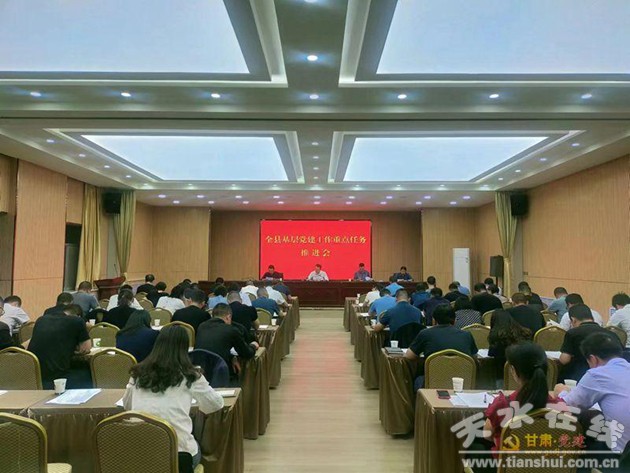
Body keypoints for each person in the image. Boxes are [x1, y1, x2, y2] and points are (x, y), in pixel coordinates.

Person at [123, 324, 224, 470]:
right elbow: (215, 404)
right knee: (195, 444)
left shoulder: (138, 373)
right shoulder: (191, 375)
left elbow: (127, 406)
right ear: (185, 349)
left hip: (141, 455)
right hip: (178, 457)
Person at [554, 332, 630, 454]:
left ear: (593, 359)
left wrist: (561, 392)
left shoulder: (598, 374)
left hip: (623, 456)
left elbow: (569, 405)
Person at [482, 343, 564, 452]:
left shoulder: (503, 404)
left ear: (513, 371)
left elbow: (487, 434)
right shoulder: (560, 407)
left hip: (510, 462)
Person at [405, 305, 478, 389]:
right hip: (462, 384)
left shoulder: (425, 334)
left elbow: (409, 356)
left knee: (416, 380)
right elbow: (474, 358)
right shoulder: (467, 335)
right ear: (454, 320)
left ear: (434, 320)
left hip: (432, 383)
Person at [28, 303, 92, 389]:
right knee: (87, 371)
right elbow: (85, 349)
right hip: (59, 375)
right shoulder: (77, 321)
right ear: (78, 316)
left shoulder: (41, 319)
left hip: (35, 373)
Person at [195, 304, 259, 379]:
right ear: (228, 317)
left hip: (200, 370)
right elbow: (246, 354)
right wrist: (253, 345)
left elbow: (212, 348)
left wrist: (232, 357)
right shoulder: (231, 330)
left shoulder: (201, 326)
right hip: (220, 371)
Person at [559, 303, 611, 382]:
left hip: (577, 376)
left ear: (573, 320)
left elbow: (564, 360)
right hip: (606, 375)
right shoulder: (609, 333)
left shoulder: (573, 333)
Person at [488, 310, 531, 379]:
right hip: (523, 372)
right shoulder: (523, 332)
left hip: (502, 374)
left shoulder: (495, 336)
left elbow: (491, 353)